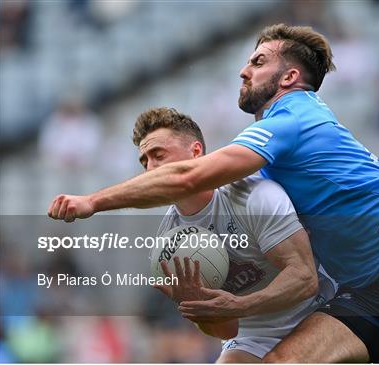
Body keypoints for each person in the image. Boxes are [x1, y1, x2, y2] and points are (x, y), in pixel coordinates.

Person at [48, 24, 379, 362]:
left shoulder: (295, 116)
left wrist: (94, 201)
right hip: (362, 293)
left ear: (289, 77)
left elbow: (190, 176)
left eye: (257, 61)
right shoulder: (276, 135)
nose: (244, 71)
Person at [132, 107, 335, 362]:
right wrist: (200, 309)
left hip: (318, 308)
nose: (150, 169)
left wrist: (241, 305)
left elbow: (305, 279)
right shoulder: (170, 242)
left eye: (158, 155)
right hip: (254, 333)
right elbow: (226, 330)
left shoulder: (253, 196)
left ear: (195, 152)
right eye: (144, 161)